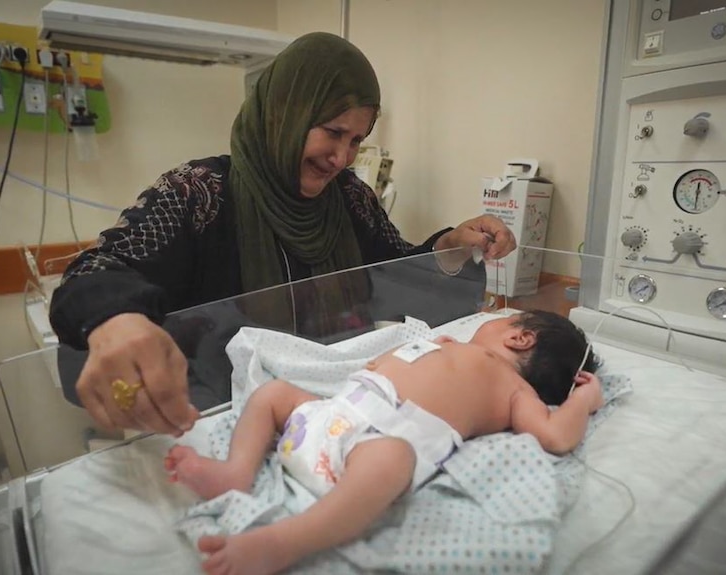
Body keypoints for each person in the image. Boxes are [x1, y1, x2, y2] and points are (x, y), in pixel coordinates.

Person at [48, 31, 516, 438]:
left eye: (356, 141)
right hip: (226, 416)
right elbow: (96, 270)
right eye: (332, 132)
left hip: (337, 409)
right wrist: (115, 320)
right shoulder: (198, 194)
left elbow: (395, 272)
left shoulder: (350, 200)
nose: (341, 158)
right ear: (284, 113)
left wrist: (448, 248)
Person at [165, 310, 602, 575]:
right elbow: (383, 362)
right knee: (275, 394)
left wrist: (583, 400)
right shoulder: (446, 346)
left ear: (519, 337)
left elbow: (555, 437)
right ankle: (236, 472)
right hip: (329, 416)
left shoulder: (514, 391)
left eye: (496, 321)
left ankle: (284, 542)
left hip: (374, 448)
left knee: (394, 459)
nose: (481, 327)